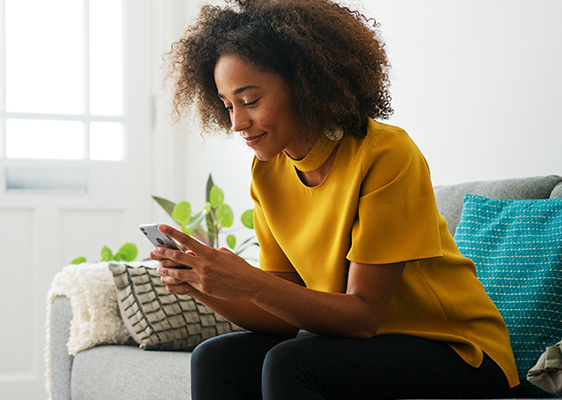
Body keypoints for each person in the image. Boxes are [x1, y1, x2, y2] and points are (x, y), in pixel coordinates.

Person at [148, 0, 519, 399]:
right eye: (228, 106)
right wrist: (202, 283)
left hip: (459, 351)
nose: (237, 123)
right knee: (215, 357)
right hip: (366, 346)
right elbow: (284, 317)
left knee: (291, 362)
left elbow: (362, 316)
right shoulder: (267, 173)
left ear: (305, 84)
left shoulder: (384, 154)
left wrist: (246, 281)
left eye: (250, 101)